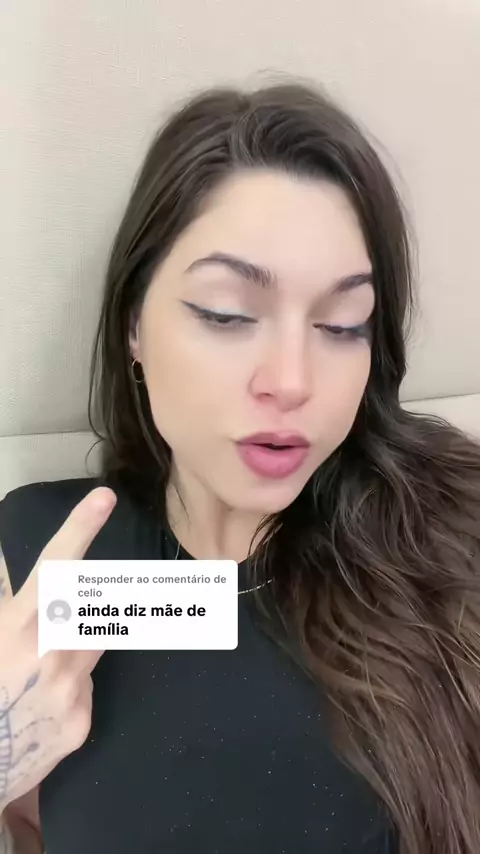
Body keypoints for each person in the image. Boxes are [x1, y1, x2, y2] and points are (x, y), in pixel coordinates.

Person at [0, 79, 479, 854]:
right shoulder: (42, 555)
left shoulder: (454, 537)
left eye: (342, 324)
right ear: (133, 324)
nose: (291, 381)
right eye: (227, 314)